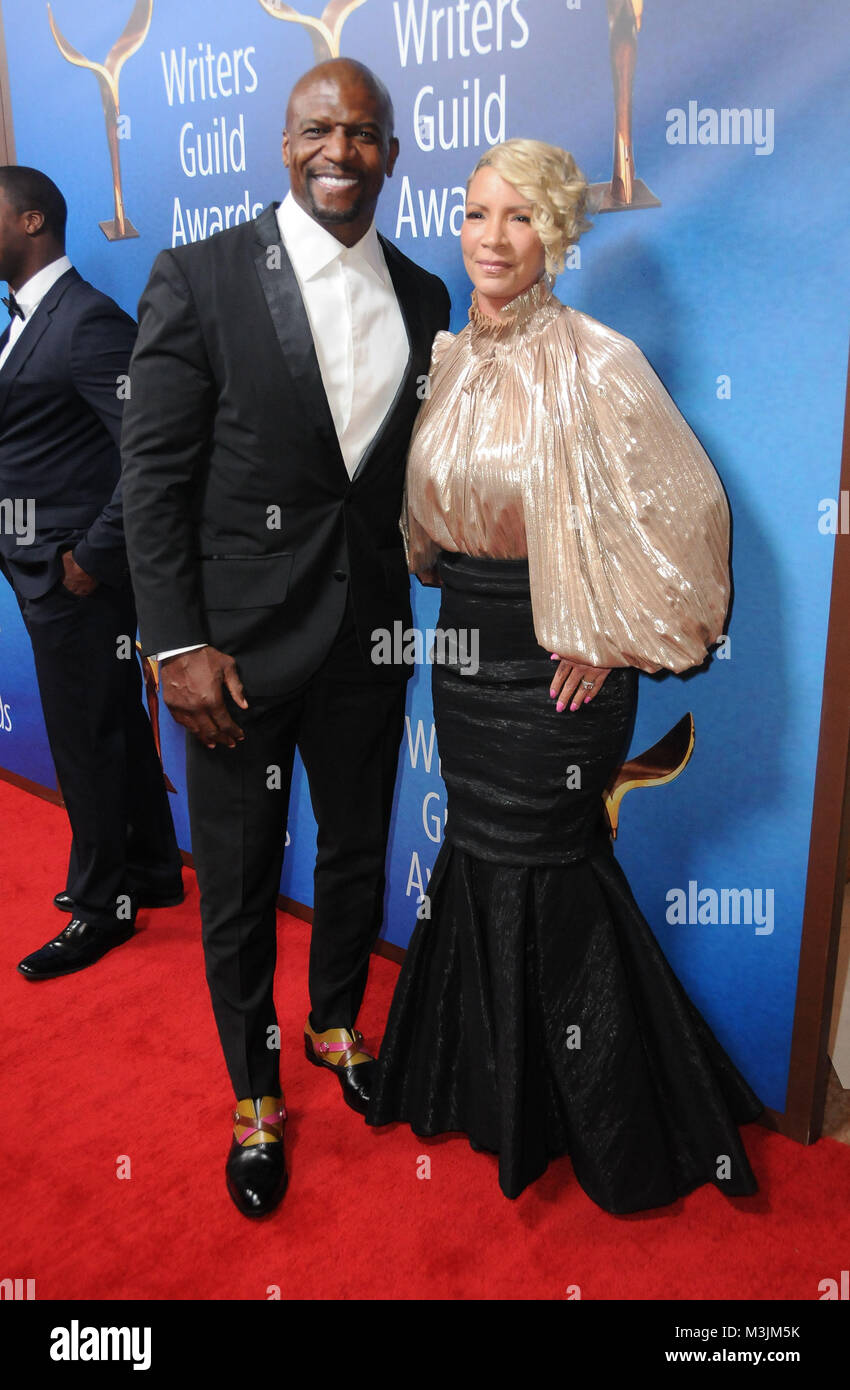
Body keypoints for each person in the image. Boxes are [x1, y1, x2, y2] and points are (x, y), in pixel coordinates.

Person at [366, 139, 763, 1214]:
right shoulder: (447, 358)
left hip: (559, 669)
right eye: (476, 214)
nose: (493, 239)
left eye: (520, 218)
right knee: (481, 858)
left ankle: (616, 1114)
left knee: (553, 864)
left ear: (556, 234)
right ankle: (499, 1096)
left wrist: (608, 627)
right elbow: (428, 519)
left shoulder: (596, 359)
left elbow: (687, 514)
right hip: (464, 652)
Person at [121, 59, 451, 1219]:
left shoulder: (423, 299)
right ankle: (254, 1096)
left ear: (392, 157)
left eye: (364, 135)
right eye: (319, 129)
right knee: (244, 883)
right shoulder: (199, 277)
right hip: (233, 657)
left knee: (356, 852)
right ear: (283, 141)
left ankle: (332, 1028)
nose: (340, 151)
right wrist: (173, 646)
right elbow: (153, 478)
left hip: (367, 642)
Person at [0, 166, 183, 983]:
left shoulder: (86, 323)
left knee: (86, 740)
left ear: (32, 220)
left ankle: (101, 904)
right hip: (39, 564)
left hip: (74, 575)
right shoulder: (28, 320)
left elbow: (145, 457)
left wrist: (89, 559)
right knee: (108, 724)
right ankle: (149, 871)